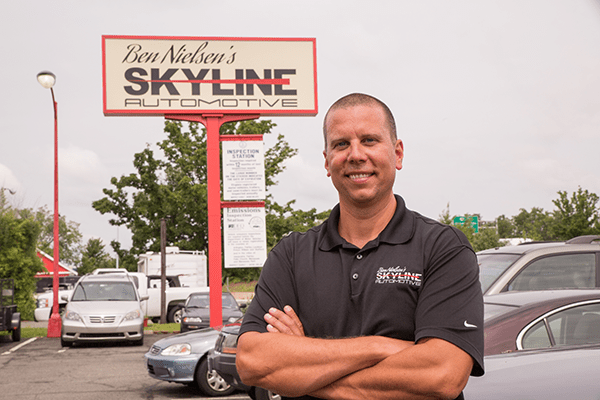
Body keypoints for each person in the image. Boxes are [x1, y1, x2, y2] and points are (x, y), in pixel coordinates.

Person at [236, 93, 484, 400]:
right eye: (341, 144)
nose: (355, 155)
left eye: (369, 140)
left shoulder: (443, 248)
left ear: (398, 154)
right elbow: (252, 362)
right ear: (327, 161)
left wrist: (301, 371)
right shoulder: (291, 254)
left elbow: (442, 375)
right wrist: (380, 346)